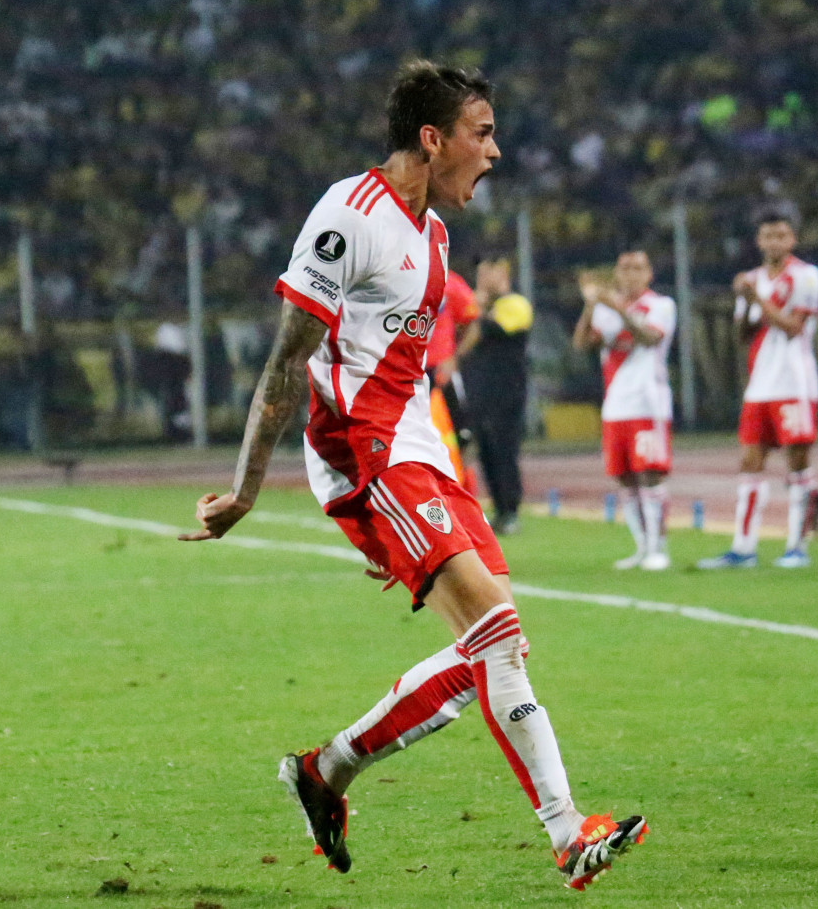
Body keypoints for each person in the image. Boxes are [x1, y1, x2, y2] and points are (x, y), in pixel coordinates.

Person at [179, 60, 645, 890]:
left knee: (487, 653)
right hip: (369, 454)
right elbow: (288, 359)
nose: (495, 151)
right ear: (432, 140)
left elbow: (399, 370)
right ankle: (570, 832)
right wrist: (251, 488)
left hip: (419, 448)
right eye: (483, 132)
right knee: (497, 635)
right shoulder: (349, 216)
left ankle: (326, 770)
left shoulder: (434, 235)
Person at [697, 211, 818, 569]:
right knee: (749, 462)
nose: (774, 242)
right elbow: (742, 338)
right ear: (759, 241)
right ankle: (743, 548)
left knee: (797, 462)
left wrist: (755, 298)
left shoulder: (806, 276)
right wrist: (741, 304)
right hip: (760, 384)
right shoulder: (752, 280)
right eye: (768, 236)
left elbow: (792, 328)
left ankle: (797, 547)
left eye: (781, 235)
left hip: (795, 382)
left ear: (792, 240)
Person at [571, 251, 676, 570]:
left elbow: (648, 338)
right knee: (625, 477)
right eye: (625, 269)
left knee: (650, 473)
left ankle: (660, 548)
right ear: (616, 274)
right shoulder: (604, 312)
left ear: (649, 275)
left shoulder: (661, 306)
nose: (631, 275)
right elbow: (581, 345)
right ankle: (642, 548)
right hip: (616, 404)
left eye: (638, 269)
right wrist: (590, 305)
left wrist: (617, 308)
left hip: (649, 402)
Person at [461, 258, 533, 535]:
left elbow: (495, 328)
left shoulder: (515, 304)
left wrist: (478, 307)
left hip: (507, 391)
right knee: (487, 451)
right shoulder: (482, 307)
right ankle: (500, 511)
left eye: (485, 273)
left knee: (505, 450)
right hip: (481, 389)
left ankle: (511, 509)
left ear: (502, 273)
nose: (480, 279)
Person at [426, 269, 482, 494]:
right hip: (406, 372)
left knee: (462, 434)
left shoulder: (449, 283)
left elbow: (473, 323)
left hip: (441, 372)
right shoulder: (393, 273)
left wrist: (453, 357)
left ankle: (467, 494)